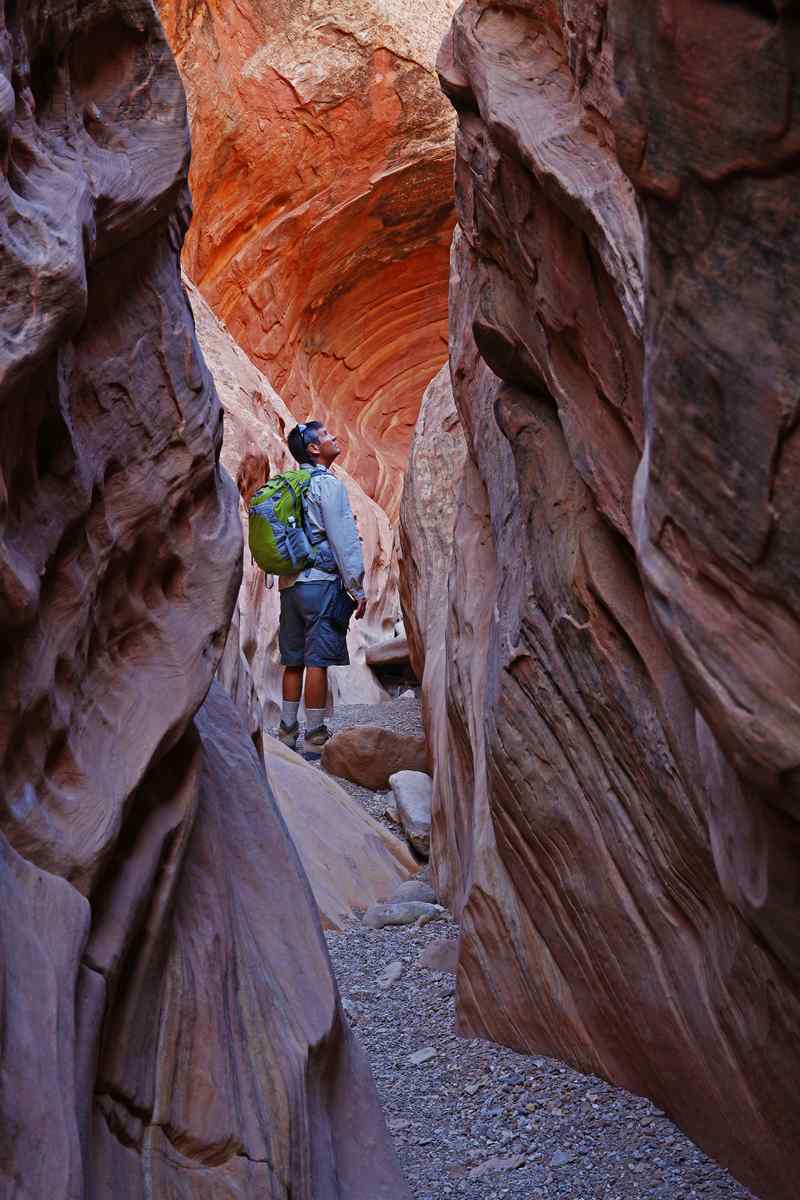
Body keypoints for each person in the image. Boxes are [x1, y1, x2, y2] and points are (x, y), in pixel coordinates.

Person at [277, 421, 367, 751]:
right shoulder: (327, 485)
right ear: (314, 449)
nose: (334, 436)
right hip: (321, 584)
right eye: (327, 435)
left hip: (290, 587)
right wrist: (357, 587)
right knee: (317, 660)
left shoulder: (288, 485)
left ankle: (287, 732)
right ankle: (314, 736)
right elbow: (344, 540)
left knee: (293, 659)